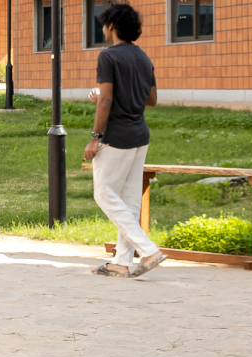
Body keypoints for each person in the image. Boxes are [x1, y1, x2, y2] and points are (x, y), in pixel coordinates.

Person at [85, 2, 164, 278]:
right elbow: (151, 100)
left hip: (117, 136)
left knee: (104, 192)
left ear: (112, 26)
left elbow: (106, 99)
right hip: (140, 135)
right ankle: (121, 262)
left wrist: (95, 138)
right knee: (129, 201)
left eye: (104, 25)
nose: (103, 30)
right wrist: (109, 96)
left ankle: (149, 250)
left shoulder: (108, 56)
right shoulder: (143, 57)